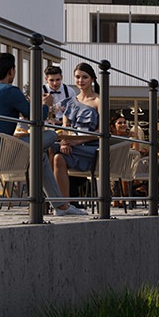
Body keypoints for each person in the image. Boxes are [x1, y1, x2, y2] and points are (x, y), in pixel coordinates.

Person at [43, 63, 102, 215]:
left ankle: (52, 201)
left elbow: (101, 131)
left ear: (92, 79)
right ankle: (63, 206)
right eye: (77, 77)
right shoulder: (70, 101)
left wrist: (76, 142)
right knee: (56, 156)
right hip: (73, 145)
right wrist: (64, 142)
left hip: (92, 148)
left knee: (51, 149)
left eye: (84, 77)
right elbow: (65, 129)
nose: (80, 80)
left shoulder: (98, 100)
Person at [0, 53, 32, 136]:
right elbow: (36, 117)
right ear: (11, 71)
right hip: (4, 145)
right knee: (50, 135)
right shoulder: (10, 91)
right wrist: (45, 104)